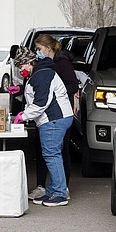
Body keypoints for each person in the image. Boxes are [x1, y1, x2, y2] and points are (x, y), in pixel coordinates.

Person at [13, 46, 74, 207]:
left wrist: (24, 116)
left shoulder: (42, 74)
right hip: (57, 118)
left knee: (51, 155)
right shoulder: (41, 72)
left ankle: (60, 193)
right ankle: (54, 189)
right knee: (53, 154)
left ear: (29, 62)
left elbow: (41, 102)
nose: (21, 71)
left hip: (54, 119)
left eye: (21, 66)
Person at [30, 34, 79, 201]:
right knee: (48, 151)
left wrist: (55, 90)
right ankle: (48, 187)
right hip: (49, 115)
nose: (37, 53)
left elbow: (73, 84)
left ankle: (61, 188)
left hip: (57, 113)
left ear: (48, 48)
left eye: (38, 49)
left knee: (58, 152)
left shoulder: (62, 63)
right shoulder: (43, 65)